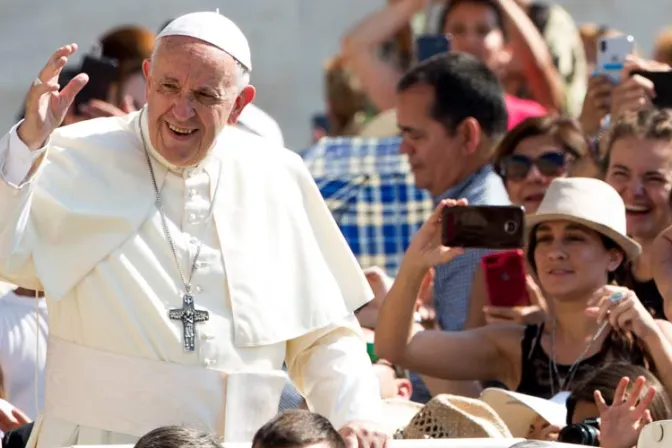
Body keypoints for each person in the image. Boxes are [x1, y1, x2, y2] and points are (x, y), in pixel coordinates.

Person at [0, 11, 385, 448]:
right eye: (168, 87)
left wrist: (357, 415)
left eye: (205, 95)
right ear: (147, 77)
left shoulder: (276, 175)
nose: (181, 110)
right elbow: (5, 255)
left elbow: (324, 335)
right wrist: (25, 147)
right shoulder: (74, 154)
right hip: (100, 441)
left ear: (240, 104)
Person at [375, 178, 672, 405]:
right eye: (544, 239)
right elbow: (396, 348)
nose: (555, 252)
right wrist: (415, 262)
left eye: (574, 239)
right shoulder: (515, 345)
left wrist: (651, 336)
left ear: (614, 256)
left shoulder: (654, 334)